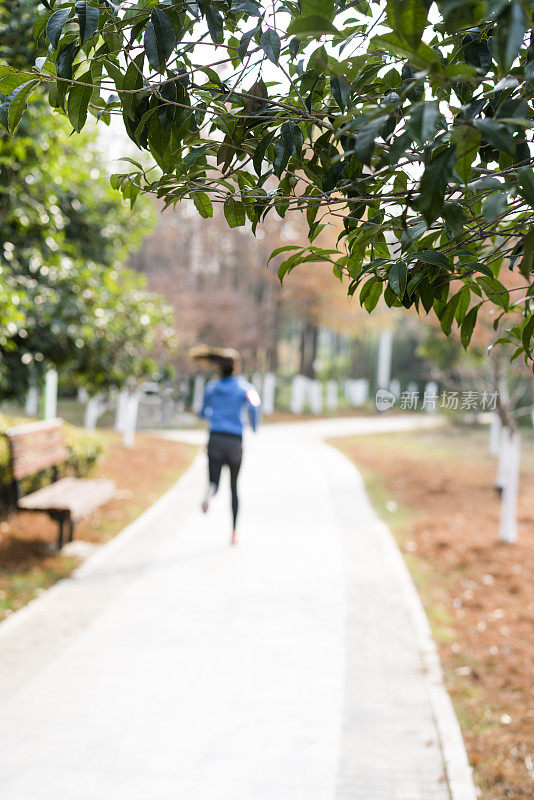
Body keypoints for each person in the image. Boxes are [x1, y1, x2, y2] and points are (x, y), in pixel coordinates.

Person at [196, 348, 261, 545]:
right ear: (236, 367)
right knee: (234, 488)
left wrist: (214, 417)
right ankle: (233, 532)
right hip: (234, 441)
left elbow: (202, 412)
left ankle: (210, 492)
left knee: (214, 482)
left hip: (215, 438)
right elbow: (255, 405)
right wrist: (254, 427)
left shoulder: (212, 387)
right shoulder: (246, 387)